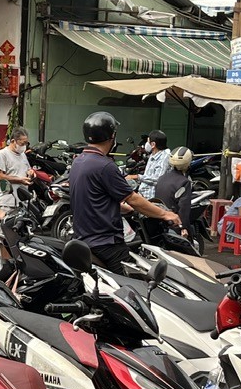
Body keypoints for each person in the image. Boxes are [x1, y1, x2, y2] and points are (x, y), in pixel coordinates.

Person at [68, 111, 180, 274]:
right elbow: (133, 198)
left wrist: (121, 208)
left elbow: (93, 197)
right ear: (112, 136)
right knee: (132, 288)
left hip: (83, 238)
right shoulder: (105, 166)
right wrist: (165, 214)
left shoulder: (79, 162)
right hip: (106, 243)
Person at [155, 147, 193, 237]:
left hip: (159, 220)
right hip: (173, 224)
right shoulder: (184, 182)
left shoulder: (162, 178)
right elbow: (184, 208)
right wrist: (184, 227)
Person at [0, 127, 34, 209]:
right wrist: (20, 180)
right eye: (22, 144)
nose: (24, 146)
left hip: (22, 202)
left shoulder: (22, 155)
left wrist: (31, 173)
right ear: (13, 141)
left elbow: (28, 169)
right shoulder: (3, 154)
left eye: (26, 143)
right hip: (7, 203)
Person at [131, 130, 170, 200]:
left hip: (151, 198)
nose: (146, 144)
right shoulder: (153, 154)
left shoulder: (164, 157)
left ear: (153, 144)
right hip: (142, 194)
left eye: (148, 141)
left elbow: (157, 179)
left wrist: (137, 177)